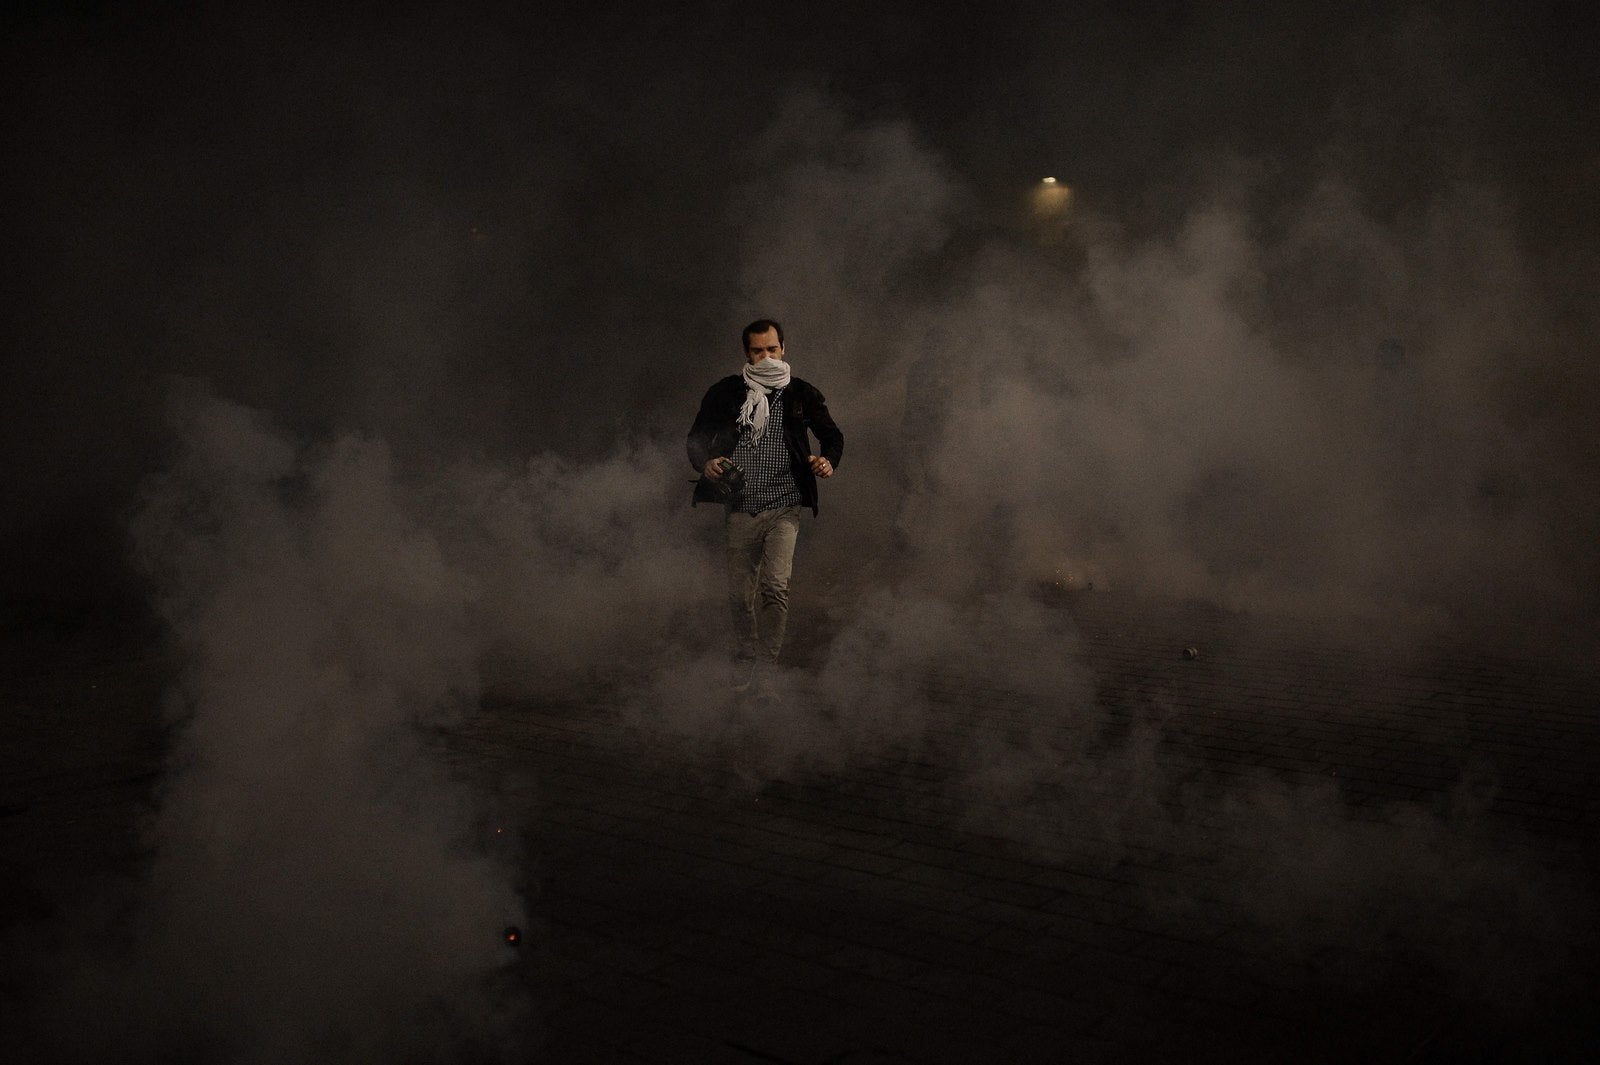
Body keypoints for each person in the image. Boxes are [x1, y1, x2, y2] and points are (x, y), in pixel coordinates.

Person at [687, 319, 843, 687]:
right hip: (740, 504)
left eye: (772, 349)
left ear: (784, 348)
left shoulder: (801, 393)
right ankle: (746, 657)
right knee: (740, 593)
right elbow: (696, 438)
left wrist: (827, 461)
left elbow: (832, 435)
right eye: (758, 351)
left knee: (775, 587)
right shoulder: (726, 392)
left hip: (784, 505)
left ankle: (767, 668)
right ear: (747, 353)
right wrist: (705, 462)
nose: (767, 357)